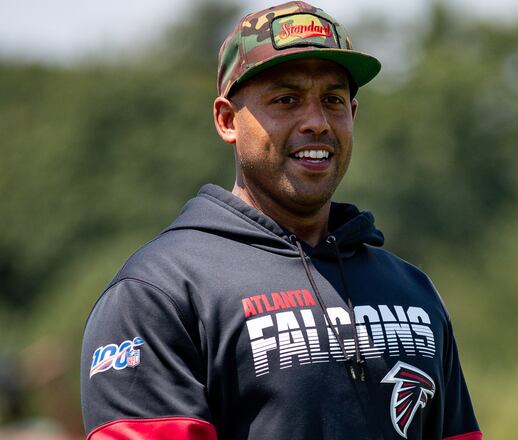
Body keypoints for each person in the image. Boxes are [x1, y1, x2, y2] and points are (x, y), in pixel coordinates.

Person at [80, 2, 481, 439]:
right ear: (227, 120)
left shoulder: (412, 291)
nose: (317, 122)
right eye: (286, 100)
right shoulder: (159, 294)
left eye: (333, 100)